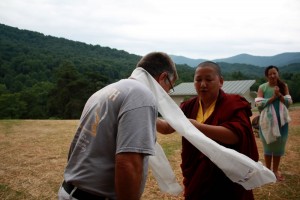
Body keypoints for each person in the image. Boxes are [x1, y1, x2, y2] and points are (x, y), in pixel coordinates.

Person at [57, 52, 178, 200]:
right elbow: (129, 163)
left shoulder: (110, 90)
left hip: (72, 190)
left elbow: (162, 126)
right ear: (163, 77)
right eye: (170, 87)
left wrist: (187, 124)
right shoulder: (141, 95)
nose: (167, 93)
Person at [157, 61, 259, 199]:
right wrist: (147, 114)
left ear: (221, 81)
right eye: (198, 80)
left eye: (209, 79)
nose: (203, 84)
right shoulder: (188, 106)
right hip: (196, 176)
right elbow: (167, 128)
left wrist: (196, 126)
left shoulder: (233, 103)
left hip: (226, 178)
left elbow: (236, 135)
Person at [255, 65, 292, 181]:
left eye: (274, 73)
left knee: (278, 146)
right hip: (267, 122)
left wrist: (279, 95)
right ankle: (267, 171)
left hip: (282, 122)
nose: (272, 75)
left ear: (278, 74)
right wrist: (273, 97)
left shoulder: (283, 86)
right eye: (270, 74)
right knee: (267, 146)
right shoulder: (262, 87)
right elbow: (259, 104)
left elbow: (288, 102)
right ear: (266, 76)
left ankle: (275, 171)